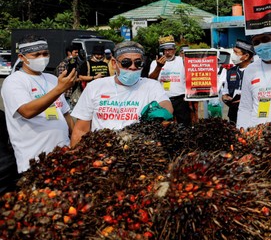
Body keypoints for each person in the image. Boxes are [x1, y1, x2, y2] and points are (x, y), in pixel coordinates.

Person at [70, 41, 172, 146]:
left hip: (138, 153)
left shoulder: (151, 85)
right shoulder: (95, 87)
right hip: (102, 151)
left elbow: (166, 104)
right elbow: (81, 130)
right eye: (126, 63)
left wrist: (161, 111)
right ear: (114, 63)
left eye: (138, 63)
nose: (132, 67)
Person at [1, 35, 76, 173]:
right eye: (36, 55)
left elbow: (65, 114)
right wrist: (59, 89)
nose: (42, 58)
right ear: (22, 57)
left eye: (45, 53)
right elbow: (26, 111)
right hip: (34, 160)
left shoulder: (52, 79)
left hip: (64, 155)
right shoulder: (14, 81)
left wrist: (77, 142)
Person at [148, 35, 191, 126]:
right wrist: (158, 67)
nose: (167, 52)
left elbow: (191, 77)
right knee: (164, 126)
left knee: (184, 125)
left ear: (174, 50)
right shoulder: (155, 63)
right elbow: (150, 80)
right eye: (165, 50)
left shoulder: (182, 61)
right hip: (163, 100)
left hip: (180, 99)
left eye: (170, 50)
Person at [221, 39, 255, 124]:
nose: (233, 55)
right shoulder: (230, 71)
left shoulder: (256, 71)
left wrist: (245, 100)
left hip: (251, 115)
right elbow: (225, 92)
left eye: (236, 52)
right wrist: (225, 97)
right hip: (234, 115)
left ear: (246, 56)